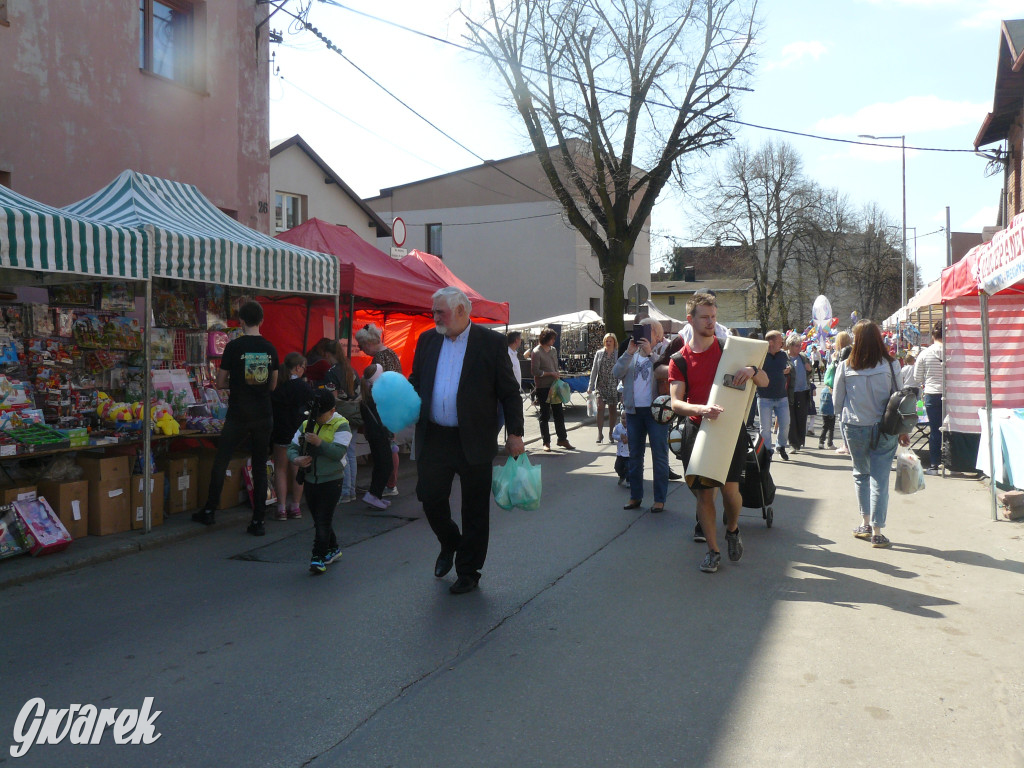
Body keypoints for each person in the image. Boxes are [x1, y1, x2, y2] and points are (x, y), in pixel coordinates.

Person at [409, 286, 525, 595]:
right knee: (430, 498)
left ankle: (469, 570)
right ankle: (450, 541)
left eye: (440, 312)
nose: (434, 318)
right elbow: (417, 381)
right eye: (433, 312)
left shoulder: (491, 343)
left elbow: (510, 392)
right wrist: (400, 401)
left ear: (462, 311)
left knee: (474, 509)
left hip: (474, 438)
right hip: (434, 437)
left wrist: (515, 433)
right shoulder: (427, 340)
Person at [668, 292, 768, 573]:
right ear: (691, 319)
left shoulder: (729, 349)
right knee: (704, 496)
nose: (711, 322)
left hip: (730, 430)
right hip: (697, 430)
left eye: (714, 316)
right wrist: (701, 410)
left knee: (731, 492)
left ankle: (733, 528)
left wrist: (751, 369)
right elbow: (676, 403)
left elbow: (765, 380)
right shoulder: (680, 359)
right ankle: (713, 551)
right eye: (705, 317)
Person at [192, 301, 279, 535]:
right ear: (262, 320)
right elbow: (272, 384)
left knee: (222, 459)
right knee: (260, 466)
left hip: (239, 413)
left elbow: (220, 382)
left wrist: (236, 384)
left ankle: (210, 510)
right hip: (263, 413)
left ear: (240, 321)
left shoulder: (233, 347)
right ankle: (258, 520)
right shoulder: (270, 348)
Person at [833, 320, 911, 549]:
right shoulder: (890, 365)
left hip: (855, 426)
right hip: (885, 427)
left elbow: (837, 403)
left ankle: (864, 523)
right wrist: (903, 431)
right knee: (880, 478)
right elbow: (900, 398)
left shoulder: (846, 366)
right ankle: (878, 531)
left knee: (861, 474)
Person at [287, 388, 352, 574]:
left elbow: (338, 452)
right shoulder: (307, 423)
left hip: (332, 480)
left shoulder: (342, 425)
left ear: (332, 411)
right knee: (319, 519)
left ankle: (318, 557)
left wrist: (319, 443)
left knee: (323, 519)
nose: (317, 418)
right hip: (310, 479)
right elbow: (292, 447)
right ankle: (333, 548)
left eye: (320, 415)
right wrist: (296, 459)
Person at [612, 317, 671, 513]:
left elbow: (667, 373)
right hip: (634, 411)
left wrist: (650, 354)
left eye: (647, 330)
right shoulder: (631, 352)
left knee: (659, 455)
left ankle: (659, 499)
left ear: (657, 333)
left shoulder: (663, 350)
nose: (642, 335)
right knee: (635, 455)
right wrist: (628, 353)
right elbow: (616, 373)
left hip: (656, 410)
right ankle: (635, 496)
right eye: (640, 330)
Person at [355, 323, 402, 497]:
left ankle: (389, 484)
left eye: (361, 346)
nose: (361, 350)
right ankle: (391, 484)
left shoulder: (380, 359)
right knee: (391, 446)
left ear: (368, 343)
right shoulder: (391, 354)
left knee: (387, 449)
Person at [270, 352, 314, 520]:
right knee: (297, 470)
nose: (304, 370)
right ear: (297, 367)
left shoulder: (278, 386)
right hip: (299, 434)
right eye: (304, 367)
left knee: (280, 469)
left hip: (281, 432)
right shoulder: (304, 388)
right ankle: (295, 506)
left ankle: (281, 507)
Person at [531, 327, 574, 451]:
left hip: (555, 386)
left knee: (559, 413)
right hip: (543, 386)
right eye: (552, 338)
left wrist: (557, 373)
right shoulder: (536, 352)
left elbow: (555, 366)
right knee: (545, 415)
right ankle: (546, 442)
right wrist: (550, 373)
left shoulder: (553, 350)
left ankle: (562, 439)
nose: (554, 341)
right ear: (545, 338)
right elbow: (535, 371)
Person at [359, 364, 393, 510]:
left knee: (380, 464)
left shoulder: (368, 392)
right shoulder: (376, 393)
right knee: (385, 464)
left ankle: (375, 494)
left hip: (374, 433)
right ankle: (373, 494)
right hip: (379, 433)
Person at [913, 322, 944, 475]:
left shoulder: (925, 354)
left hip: (932, 394)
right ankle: (952, 461)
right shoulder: (953, 352)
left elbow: (917, 377)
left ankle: (934, 464)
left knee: (935, 430)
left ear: (933, 335)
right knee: (951, 430)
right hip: (951, 395)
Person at [756, 330, 792, 461]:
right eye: (779, 341)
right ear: (770, 342)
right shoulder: (760, 355)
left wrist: (787, 370)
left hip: (782, 396)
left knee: (785, 424)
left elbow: (786, 366)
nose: (782, 343)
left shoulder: (783, 355)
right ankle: (767, 452)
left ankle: (780, 446)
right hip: (764, 396)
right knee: (765, 428)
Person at [587, 332, 619, 443]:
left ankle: (611, 432)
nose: (608, 343)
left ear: (614, 342)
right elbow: (594, 370)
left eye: (610, 341)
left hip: (613, 385)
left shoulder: (617, 354)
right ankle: (599, 433)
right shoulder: (599, 353)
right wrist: (590, 386)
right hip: (601, 384)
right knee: (600, 407)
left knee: (612, 409)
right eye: (606, 341)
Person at [786, 335, 813, 453]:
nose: (799, 347)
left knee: (802, 418)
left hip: (803, 391)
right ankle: (793, 443)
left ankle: (799, 442)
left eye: (800, 345)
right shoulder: (785, 357)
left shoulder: (803, 357)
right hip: (790, 393)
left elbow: (811, 373)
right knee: (791, 419)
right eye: (797, 345)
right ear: (790, 346)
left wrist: (810, 369)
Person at [831, 330, 854, 455]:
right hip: (847, 385)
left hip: (843, 385)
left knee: (841, 415)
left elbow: (840, 369)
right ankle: (846, 443)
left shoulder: (844, 351)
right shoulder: (849, 350)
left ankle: (846, 444)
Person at [817, 381, 836, 450]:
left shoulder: (823, 390)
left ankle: (821, 443)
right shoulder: (832, 391)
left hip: (823, 410)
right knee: (831, 428)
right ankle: (830, 443)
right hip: (831, 411)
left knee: (824, 427)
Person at [612, 411, 629, 485]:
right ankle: (622, 476)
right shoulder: (618, 427)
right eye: (623, 418)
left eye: (627, 418)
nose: (625, 420)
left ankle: (629, 481)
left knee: (629, 468)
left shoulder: (632, 427)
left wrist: (628, 439)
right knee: (617, 467)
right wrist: (620, 437)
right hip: (620, 453)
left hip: (629, 454)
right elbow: (614, 435)